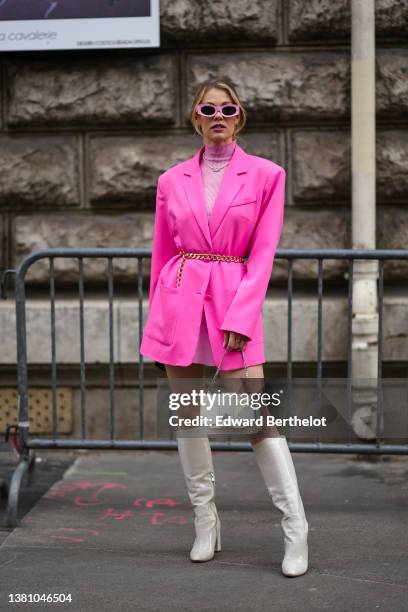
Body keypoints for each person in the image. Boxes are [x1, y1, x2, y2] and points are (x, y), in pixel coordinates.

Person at [140, 79, 309, 577]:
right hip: (180, 302)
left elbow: (263, 253)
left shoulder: (266, 175)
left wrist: (241, 316)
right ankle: (205, 521)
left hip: (233, 301)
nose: (218, 115)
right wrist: (159, 319)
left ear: (239, 117)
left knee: (257, 419)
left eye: (227, 108)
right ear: (196, 117)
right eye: (208, 108)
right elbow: (162, 254)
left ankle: (295, 529)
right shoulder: (171, 180)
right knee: (189, 416)